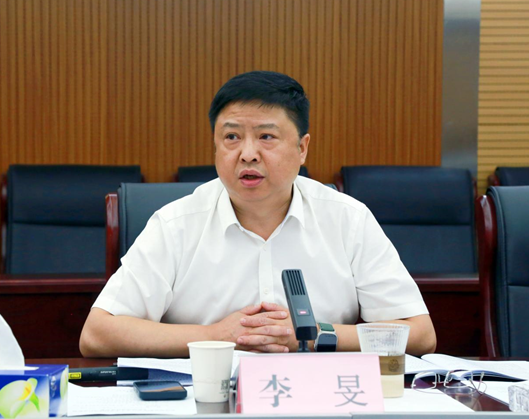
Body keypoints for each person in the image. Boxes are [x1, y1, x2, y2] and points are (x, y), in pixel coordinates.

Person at [80, 71, 436, 358]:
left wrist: (314, 334)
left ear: (302, 148)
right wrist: (216, 336)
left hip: (318, 397)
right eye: (231, 137)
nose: (247, 154)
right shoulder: (175, 225)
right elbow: (97, 334)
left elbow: (419, 334)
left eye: (266, 137)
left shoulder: (348, 219)